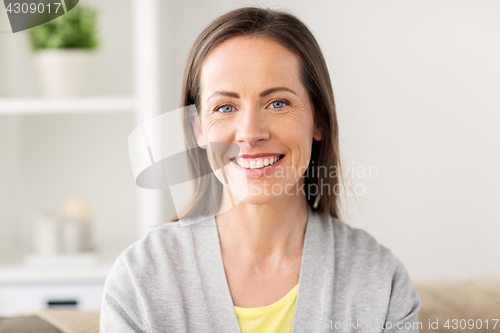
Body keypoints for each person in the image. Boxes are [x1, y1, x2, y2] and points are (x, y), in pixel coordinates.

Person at [100, 6, 421, 333]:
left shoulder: (381, 281)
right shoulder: (140, 281)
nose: (250, 132)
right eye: (225, 107)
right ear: (198, 130)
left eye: (278, 103)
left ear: (318, 119)